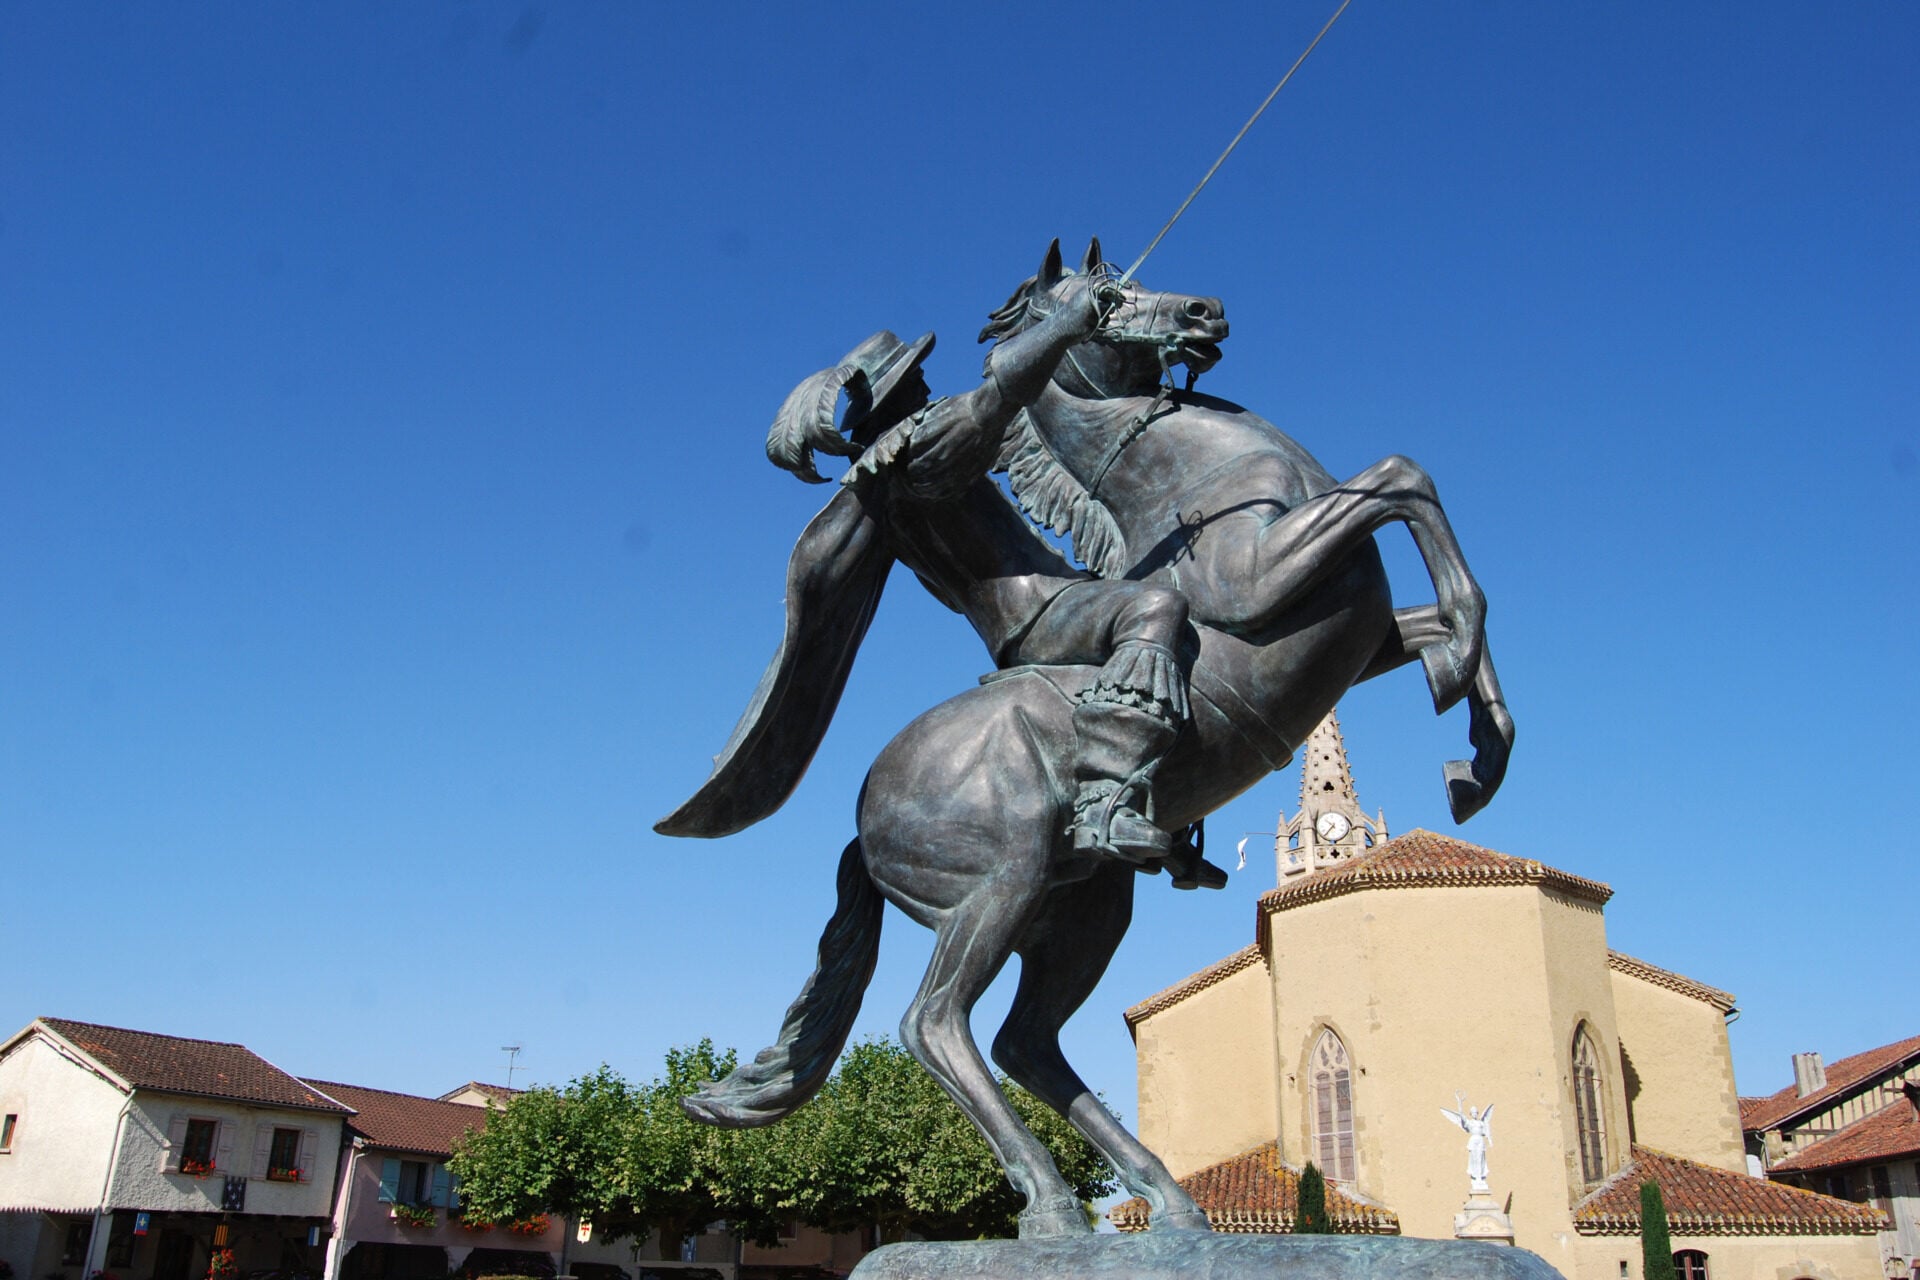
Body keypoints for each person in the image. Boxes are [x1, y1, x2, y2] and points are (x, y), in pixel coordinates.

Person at [767, 272, 1215, 883]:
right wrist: (1064, 324)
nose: (925, 386)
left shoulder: (891, 483)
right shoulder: (920, 455)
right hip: (1034, 614)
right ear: (894, 400)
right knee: (1156, 609)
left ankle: (1180, 814)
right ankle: (1106, 802)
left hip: (1050, 597)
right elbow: (997, 397)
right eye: (913, 380)